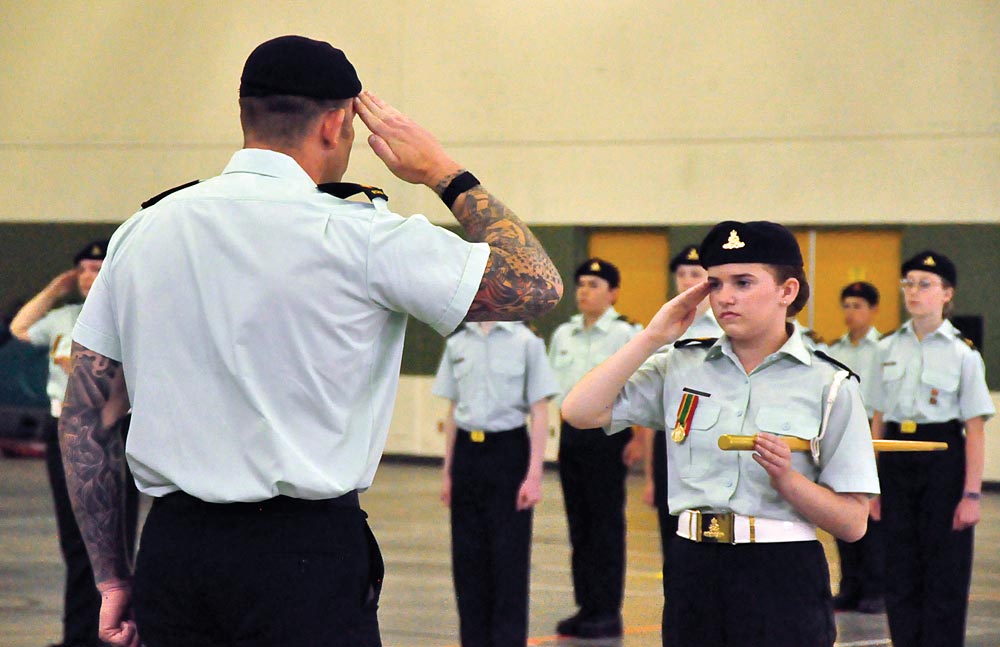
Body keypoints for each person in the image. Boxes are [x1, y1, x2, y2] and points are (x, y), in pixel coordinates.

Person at [57, 35, 562, 647]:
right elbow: (535, 284)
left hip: (175, 553)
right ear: (334, 124)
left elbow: (87, 415)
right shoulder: (362, 235)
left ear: (245, 114)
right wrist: (444, 173)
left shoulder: (143, 231)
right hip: (302, 559)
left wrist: (111, 577)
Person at [562, 221, 880, 647]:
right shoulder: (681, 365)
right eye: (715, 283)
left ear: (787, 291)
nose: (725, 296)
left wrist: (790, 481)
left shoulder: (830, 384)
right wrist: (654, 336)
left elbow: (853, 522)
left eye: (743, 282)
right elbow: (579, 411)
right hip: (693, 568)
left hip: (781, 571)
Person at [9, 240, 140, 647]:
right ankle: (79, 636)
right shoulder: (65, 317)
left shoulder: (128, 318)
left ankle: (114, 633)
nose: (90, 277)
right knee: (75, 539)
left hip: (114, 431)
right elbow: (19, 328)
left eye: (99, 269)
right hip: (63, 430)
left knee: (114, 539)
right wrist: (55, 289)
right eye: (84, 269)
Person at [870, 251, 994, 647]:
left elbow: (974, 429)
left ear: (947, 294)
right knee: (899, 566)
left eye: (925, 284)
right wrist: (870, 485)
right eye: (908, 283)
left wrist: (972, 494)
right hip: (895, 456)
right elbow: (876, 419)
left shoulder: (964, 354)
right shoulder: (885, 348)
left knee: (945, 570)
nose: (914, 292)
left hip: (943, 457)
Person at [433, 321, 559, 647]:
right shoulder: (458, 342)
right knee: (467, 561)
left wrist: (534, 475)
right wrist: (448, 472)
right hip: (467, 452)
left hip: (508, 451)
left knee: (509, 561)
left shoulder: (526, 341)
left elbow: (540, 411)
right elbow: (452, 410)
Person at [548, 258, 645, 639]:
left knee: (605, 526)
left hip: (608, 438)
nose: (584, 290)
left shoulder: (625, 334)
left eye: (594, 284)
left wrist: (638, 438)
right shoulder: (564, 334)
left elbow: (639, 389)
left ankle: (607, 610)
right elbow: (555, 388)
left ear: (613, 292)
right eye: (581, 283)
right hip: (572, 438)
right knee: (580, 526)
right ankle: (586, 605)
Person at [640, 244, 722, 646]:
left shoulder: (727, 331)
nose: (689, 282)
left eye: (697, 275)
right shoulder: (668, 330)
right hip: (672, 440)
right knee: (674, 544)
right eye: (683, 275)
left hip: (713, 445)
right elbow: (650, 408)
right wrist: (649, 475)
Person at [827, 281, 886, 613]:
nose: (851, 312)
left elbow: (880, 405)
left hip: (869, 431)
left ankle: (876, 588)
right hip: (842, 433)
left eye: (858, 306)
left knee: (872, 516)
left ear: (873, 310)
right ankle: (850, 586)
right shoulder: (837, 350)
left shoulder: (883, 350)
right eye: (847, 305)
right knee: (841, 511)